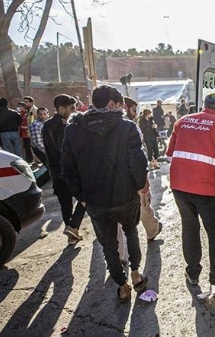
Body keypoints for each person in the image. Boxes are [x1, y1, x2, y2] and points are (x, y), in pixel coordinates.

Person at [61, 85, 149, 303]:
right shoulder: (127, 127)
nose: (122, 109)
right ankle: (136, 274)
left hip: (94, 200)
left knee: (108, 245)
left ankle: (122, 285)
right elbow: (138, 162)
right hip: (125, 196)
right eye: (120, 105)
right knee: (131, 232)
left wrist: (81, 196)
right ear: (111, 103)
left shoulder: (73, 129)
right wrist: (141, 187)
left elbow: (67, 167)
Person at [165, 93, 215, 290]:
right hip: (207, 188)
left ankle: (192, 273)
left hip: (179, 186)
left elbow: (170, 155)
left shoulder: (182, 122)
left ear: (204, 105)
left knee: (189, 227)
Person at [42, 94, 86, 245]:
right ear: (61, 109)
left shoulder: (47, 125)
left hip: (56, 171)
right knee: (85, 197)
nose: (74, 111)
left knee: (65, 204)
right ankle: (73, 227)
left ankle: (71, 233)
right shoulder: (62, 125)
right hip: (67, 171)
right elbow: (63, 149)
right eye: (72, 108)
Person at [121, 96, 163, 241]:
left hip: (117, 177)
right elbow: (136, 156)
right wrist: (143, 180)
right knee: (143, 204)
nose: (135, 112)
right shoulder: (127, 125)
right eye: (133, 109)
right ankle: (152, 230)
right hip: (130, 175)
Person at [22, 96, 38, 162]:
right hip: (28, 133)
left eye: (26, 102)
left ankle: (36, 161)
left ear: (31, 103)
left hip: (34, 133)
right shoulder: (28, 111)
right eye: (24, 102)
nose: (25, 104)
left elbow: (33, 121)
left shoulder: (34, 110)